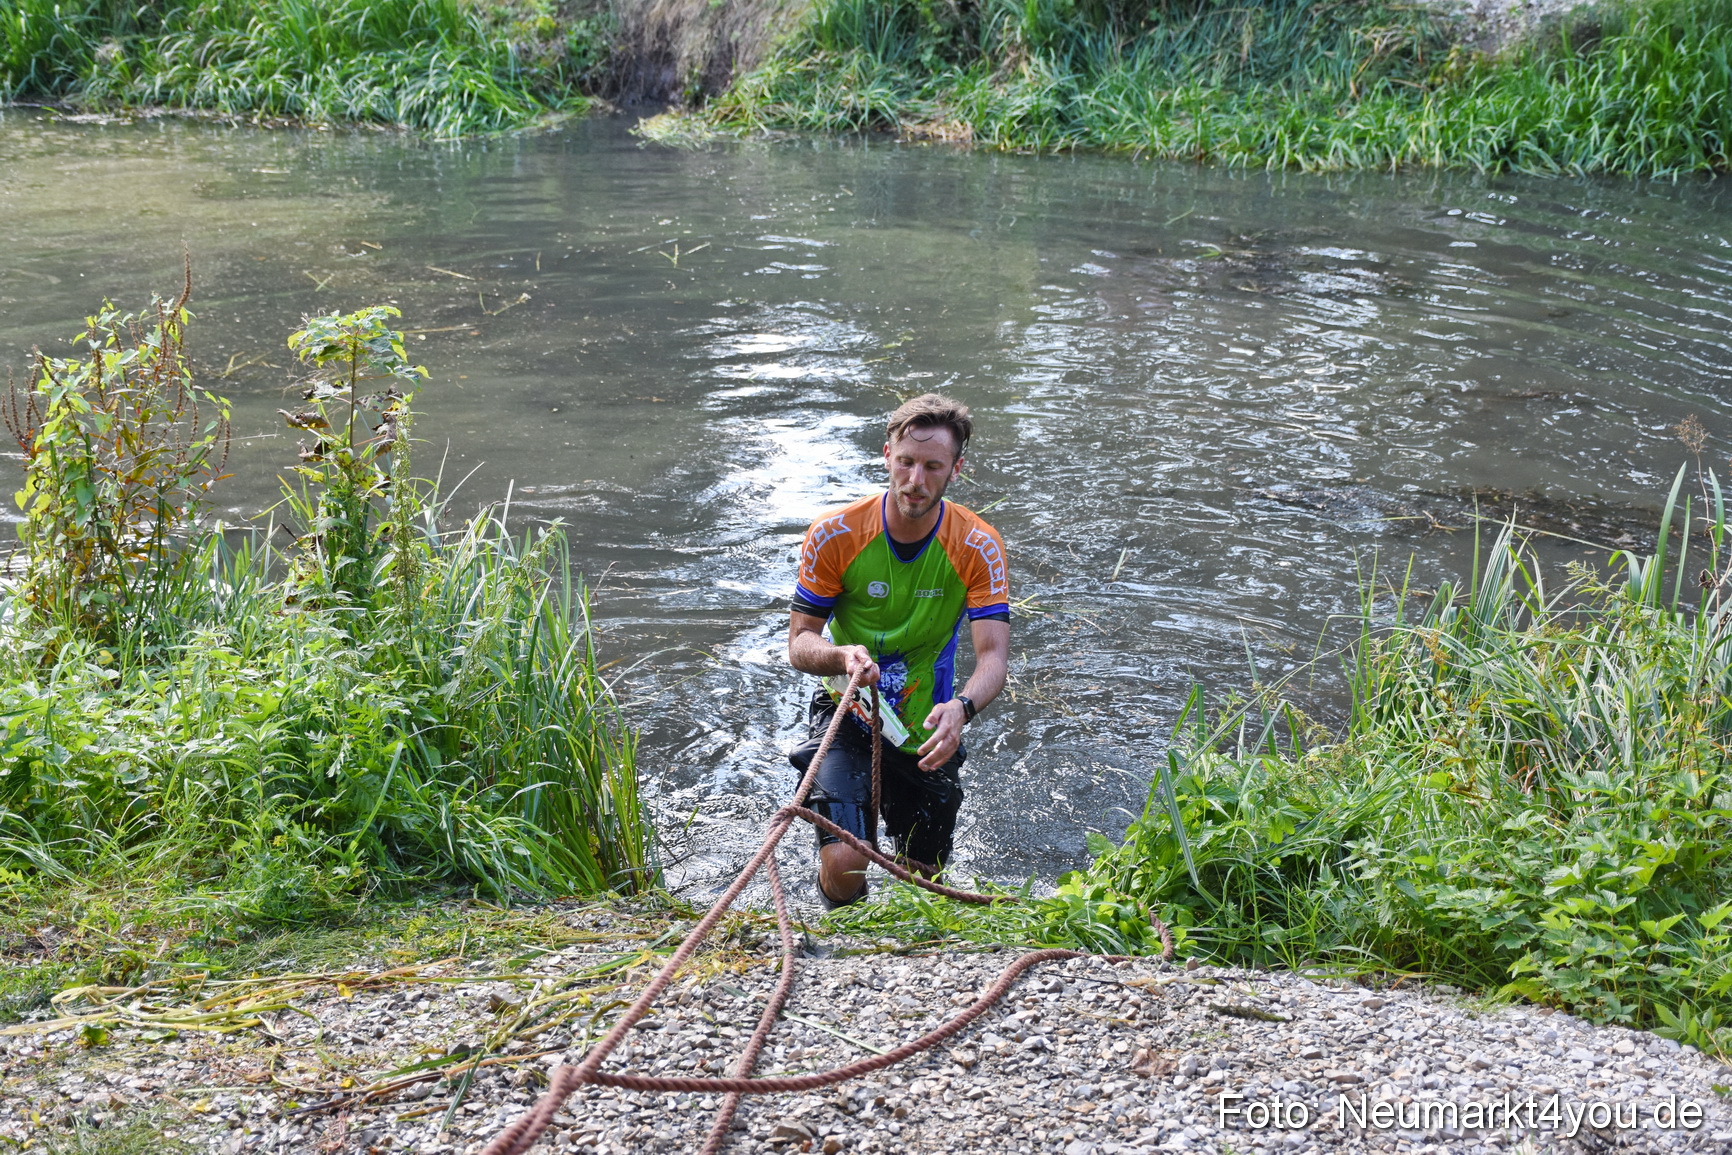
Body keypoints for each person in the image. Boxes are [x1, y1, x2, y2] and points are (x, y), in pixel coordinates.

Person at [786, 393, 1010, 906]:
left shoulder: (978, 544)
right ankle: (841, 936)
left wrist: (963, 708)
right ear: (887, 455)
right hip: (849, 710)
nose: (915, 480)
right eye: (906, 462)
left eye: (933, 466)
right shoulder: (834, 535)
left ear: (956, 469)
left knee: (922, 880)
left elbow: (994, 657)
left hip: (927, 724)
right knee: (845, 859)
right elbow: (799, 644)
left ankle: (903, 946)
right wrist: (842, 656)